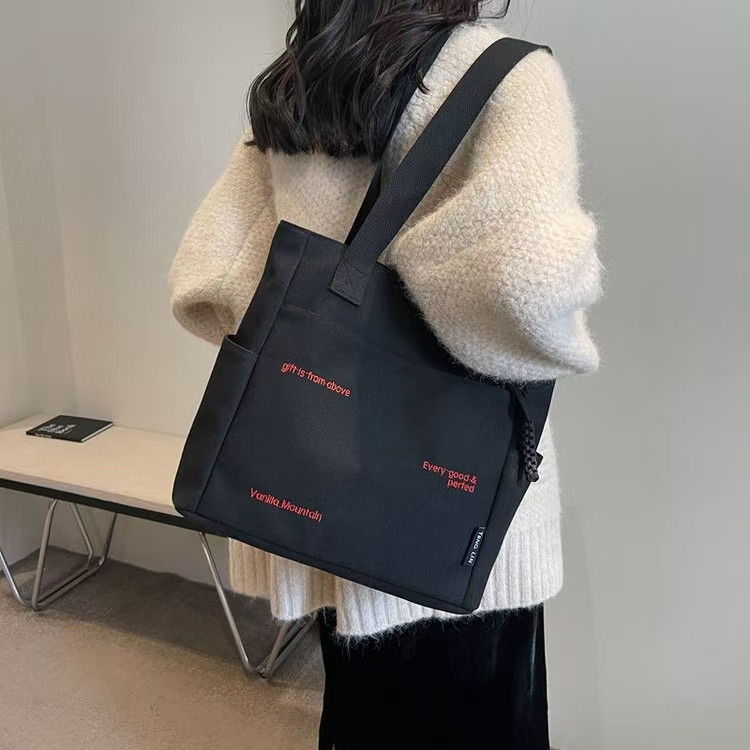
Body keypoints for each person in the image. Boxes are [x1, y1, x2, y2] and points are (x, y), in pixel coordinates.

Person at [168, 2, 603, 748]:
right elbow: (528, 287)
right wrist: (573, 299)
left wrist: (338, 305)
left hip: (324, 475)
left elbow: (215, 276)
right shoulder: (509, 74)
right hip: (457, 506)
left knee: (362, 716)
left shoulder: (302, 79)